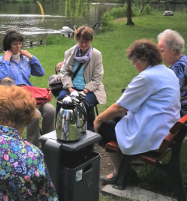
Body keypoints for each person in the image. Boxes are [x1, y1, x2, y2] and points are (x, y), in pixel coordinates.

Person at [94, 39, 180, 185]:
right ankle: (124, 169)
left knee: (104, 126)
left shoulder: (147, 77)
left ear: (144, 60)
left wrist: (99, 119)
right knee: (116, 121)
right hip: (167, 129)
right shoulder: (167, 71)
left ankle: (120, 173)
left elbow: (120, 107)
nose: (135, 66)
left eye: (135, 62)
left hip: (153, 135)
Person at [0, 29, 55, 147]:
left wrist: (31, 57)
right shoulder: (1, 61)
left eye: (20, 43)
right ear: (8, 45)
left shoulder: (25, 59)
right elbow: (1, 78)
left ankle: (48, 144)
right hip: (14, 98)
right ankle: (32, 146)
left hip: (31, 96)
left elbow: (40, 73)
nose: (18, 46)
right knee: (35, 114)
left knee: (51, 110)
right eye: (15, 44)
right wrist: (7, 60)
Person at [56, 25, 106, 131]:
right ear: (77, 39)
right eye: (81, 42)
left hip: (90, 90)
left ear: (91, 40)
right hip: (72, 88)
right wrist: (70, 89)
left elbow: (97, 78)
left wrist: (85, 90)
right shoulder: (69, 53)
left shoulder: (96, 55)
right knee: (62, 100)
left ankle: (89, 132)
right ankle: (61, 128)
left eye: (86, 42)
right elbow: (64, 72)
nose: (83, 45)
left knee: (84, 103)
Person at [158, 29, 187, 116]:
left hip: (179, 113)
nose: (159, 55)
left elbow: (168, 96)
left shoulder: (179, 68)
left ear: (173, 50)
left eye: (162, 51)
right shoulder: (182, 60)